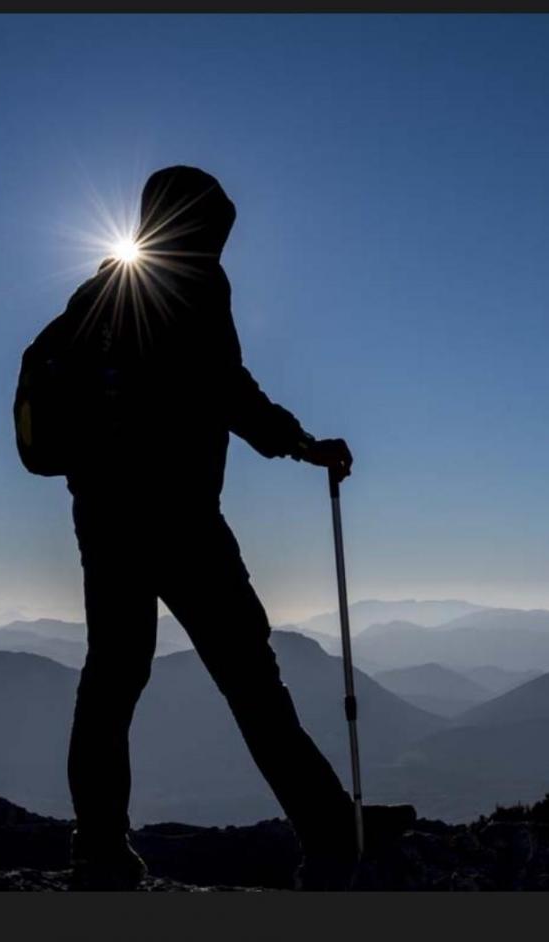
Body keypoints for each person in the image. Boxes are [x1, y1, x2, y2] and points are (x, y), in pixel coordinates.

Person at [57, 166, 404, 891]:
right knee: (252, 681)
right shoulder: (196, 284)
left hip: (105, 520)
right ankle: (332, 831)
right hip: (182, 522)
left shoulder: (96, 293)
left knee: (112, 681)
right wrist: (304, 444)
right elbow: (227, 388)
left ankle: (97, 850)